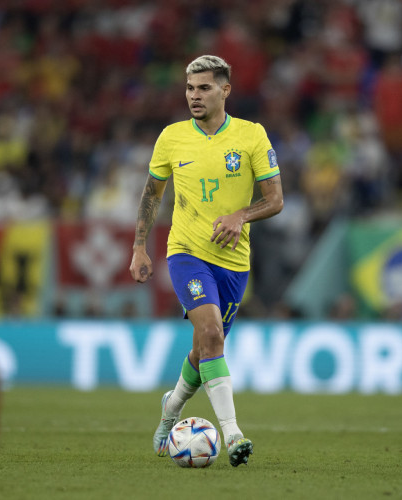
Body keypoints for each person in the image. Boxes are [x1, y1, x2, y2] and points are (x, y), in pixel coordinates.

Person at [129, 55, 284, 467]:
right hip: (186, 253)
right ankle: (233, 435)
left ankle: (170, 409)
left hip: (234, 262)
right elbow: (151, 195)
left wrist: (240, 216)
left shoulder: (252, 136)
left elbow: (275, 200)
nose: (194, 96)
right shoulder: (172, 138)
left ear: (225, 90)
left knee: (204, 349)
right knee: (212, 332)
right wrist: (139, 246)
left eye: (204, 88)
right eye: (190, 88)